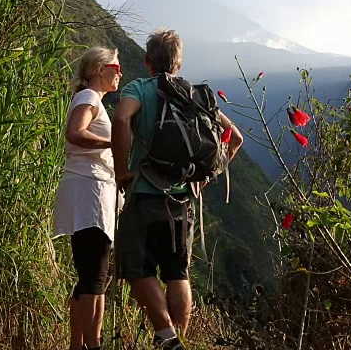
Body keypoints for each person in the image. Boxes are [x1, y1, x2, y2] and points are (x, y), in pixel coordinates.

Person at [112, 28, 242, 349]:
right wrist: (207, 175)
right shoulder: (196, 96)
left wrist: (121, 171)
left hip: (145, 193)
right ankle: (177, 341)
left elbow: (120, 119)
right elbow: (234, 137)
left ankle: (168, 336)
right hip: (182, 199)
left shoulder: (139, 88)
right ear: (179, 64)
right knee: (177, 273)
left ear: (146, 61)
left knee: (134, 265)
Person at [53, 46, 123, 350]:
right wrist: (114, 142)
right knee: (95, 276)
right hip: (90, 193)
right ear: (99, 69)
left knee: (89, 275)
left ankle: (77, 344)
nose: (120, 73)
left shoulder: (93, 100)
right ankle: (91, 344)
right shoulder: (89, 98)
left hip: (90, 193)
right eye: (116, 68)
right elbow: (75, 132)